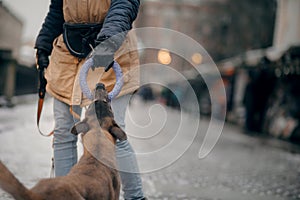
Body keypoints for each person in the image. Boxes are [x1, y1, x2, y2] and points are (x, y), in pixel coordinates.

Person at [35, 0, 146, 199]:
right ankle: (65, 194)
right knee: (63, 131)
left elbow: (125, 3)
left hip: (113, 47)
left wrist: (109, 40)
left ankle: (135, 197)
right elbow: (57, 10)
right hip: (68, 53)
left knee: (114, 130)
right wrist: (43, 44)